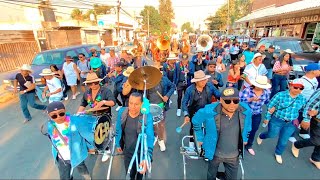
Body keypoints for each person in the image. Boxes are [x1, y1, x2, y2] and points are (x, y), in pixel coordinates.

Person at [192, 87, 252, 180]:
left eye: (235, 101)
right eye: (227, 101)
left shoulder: (246, 110)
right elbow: (196, 121)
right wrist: (200, 138)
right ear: (221, 100)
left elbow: (248, 126)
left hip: (234, 155)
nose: (232, 104)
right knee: (211, 175)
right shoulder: (209, 111)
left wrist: (245, 138)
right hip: (214, 153)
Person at [257, 79, 307, 164]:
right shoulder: (280, 95)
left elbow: (304, 109)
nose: (298, 90)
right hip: (277, 120)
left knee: (284, 140)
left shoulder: (302, 98)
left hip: (291, 122)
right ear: (290, 86)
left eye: (301, 88)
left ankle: (278, 153)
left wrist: (305, 119)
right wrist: (267, 118)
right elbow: (270, 107)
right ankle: (261, 136)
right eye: (296, 87)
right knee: (272, 134)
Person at [44, 101, 92, 180]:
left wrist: (90, 147)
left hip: (76, 154)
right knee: (64, 177)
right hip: (61, 157)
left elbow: (85, 134)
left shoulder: (74, 122)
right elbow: (52, 139)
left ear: (65, 111)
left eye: (61, 113)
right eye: (54, 115)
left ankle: (87, 177)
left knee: (81, 168)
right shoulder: (50, 125)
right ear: (49, 116)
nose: (58, 117)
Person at [77, 73, 116, 162]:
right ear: (88, 84)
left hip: (104, 116)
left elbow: (113, 102)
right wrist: (78, 114)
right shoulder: (87, 93)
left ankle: (106, 149)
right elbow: (83, 104)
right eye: (91, 83)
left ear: (98, 82)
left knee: (102, 133)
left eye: (95, 83)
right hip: (93, 115)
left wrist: (103, 102)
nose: (93, 85)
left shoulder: (106, 91)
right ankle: (93, 146)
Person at [115, 93, 154, 180]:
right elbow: (118, 128)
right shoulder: (122, 112)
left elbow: (150, 137)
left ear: (142, 105)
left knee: (140, 176)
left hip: (142, 153)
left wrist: (146, 158)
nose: (132, 107)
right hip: (128, 152)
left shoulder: (146, 116)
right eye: (131, 103)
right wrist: (118, 143)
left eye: (136, 104)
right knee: (129, 175)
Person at [182, 70, 221, 148]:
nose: (204, 82)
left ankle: (207, 145)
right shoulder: (189, 89)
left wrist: (224, 100)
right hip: (194, 112)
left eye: (204, 80)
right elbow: (184, 103)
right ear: (196, 82)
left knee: (209, 127)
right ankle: (192, 142)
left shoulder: (210, 86)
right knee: (194, 127)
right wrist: (186, 115)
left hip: (208, 111)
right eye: (201, 80)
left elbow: (218, 95)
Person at [239, 76, 271, 155]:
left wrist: (271, 109)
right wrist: (250, 99)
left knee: (253, 130)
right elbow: (240, 101)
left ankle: (249, 145)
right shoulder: (247, 90)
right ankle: (238, 144)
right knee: (242, 129)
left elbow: (267, 102)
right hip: (245, 114)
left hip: (256, 114)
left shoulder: (266, 92)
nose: (260, 88)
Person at [147, 65, 175, 151]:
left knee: (161, 124)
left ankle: (161, 140)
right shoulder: (147, 81)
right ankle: (155, 136)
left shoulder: (163, 79)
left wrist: (167, 96)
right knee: (152, 123)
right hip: (150, 105)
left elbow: (173, 86)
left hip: (161, 105)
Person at [289, 63, 320, 142]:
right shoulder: (301, 81)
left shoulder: (314, 79)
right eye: (318, 70)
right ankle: (290, 134)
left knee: (306, 117)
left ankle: (303, 132)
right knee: (296, 118)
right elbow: (295, 94)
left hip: (309, 104)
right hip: (300, 105)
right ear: (313, 71)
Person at [292, 88, 320, 169]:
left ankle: (315, 159)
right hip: (318, 120)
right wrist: (306, 119)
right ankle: (297, 144)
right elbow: (310, 105)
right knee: (316, 141)